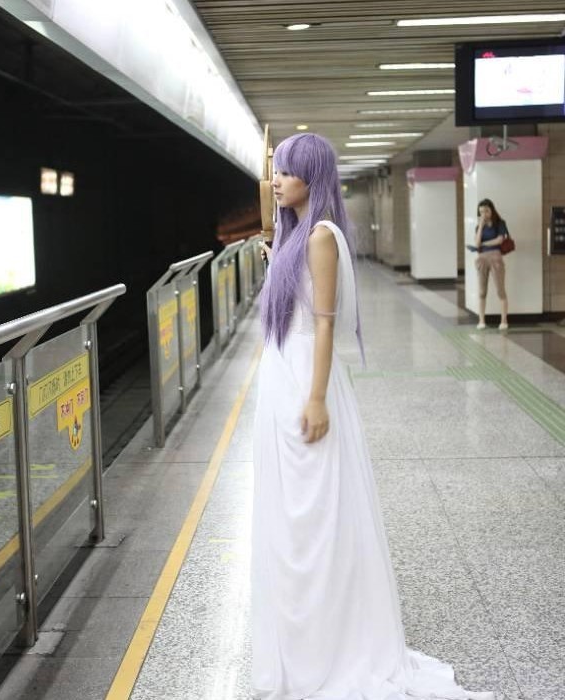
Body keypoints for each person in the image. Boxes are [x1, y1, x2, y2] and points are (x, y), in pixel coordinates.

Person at [252, 132, 493, 700]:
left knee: (313, 513)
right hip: (284, 377)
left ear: (313, 176)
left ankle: (326, 645)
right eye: (276, 171)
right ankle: (304, 640)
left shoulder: (320, 237)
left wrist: (316, 399)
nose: (277, 181)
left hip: (304, 380)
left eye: (286, 172)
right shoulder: (297, 235)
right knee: (294, 514)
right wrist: (275, 257)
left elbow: (325, 325)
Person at [473, 198, 509, 330]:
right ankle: (481, 321)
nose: (484, 214)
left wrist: (484, 244)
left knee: (500, 290)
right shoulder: (479, 226)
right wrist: (481, 226)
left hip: (495, 257)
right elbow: (477, 243)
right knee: (482, 291)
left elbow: (499, 240)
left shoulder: (500, 223)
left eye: (486, 211)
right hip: (482, 259)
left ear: (492, 210)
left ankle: (504, 320)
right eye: (481, 212)